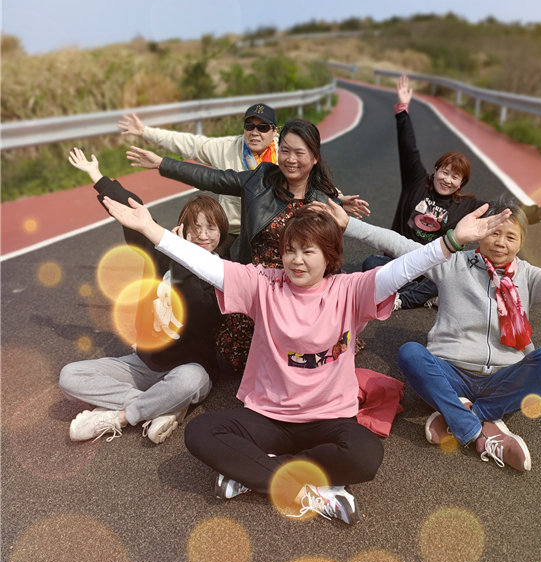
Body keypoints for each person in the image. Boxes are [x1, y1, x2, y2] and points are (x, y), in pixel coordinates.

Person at [100, 195, 511, 523]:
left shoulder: (351, 290)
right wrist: (151, 230)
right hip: (268, 416)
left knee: (366, 456)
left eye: (308, 251)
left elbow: (403, 269)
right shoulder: (264, 284)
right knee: (201, 432)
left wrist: (451, 241)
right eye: (290, 250)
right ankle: (306, 490)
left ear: (329, 256)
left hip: (328, 418)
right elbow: (209, 266)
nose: (297, 260)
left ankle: (254, 473)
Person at [321, 197, 541, 472]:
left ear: (521, 242)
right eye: (494, 232)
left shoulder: (528, 277)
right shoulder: (452, 264)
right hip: (451, 375)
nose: (501, 242)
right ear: (480, 232)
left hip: (503, 379)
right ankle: (479, 432)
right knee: (410, 353)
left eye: (510, 237)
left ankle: (463, 415)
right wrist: (349, 225)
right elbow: (398, 244)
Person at [125, 118, 370, 370]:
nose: (290, 159)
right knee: (234, 356)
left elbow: (329, 257)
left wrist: (339, 313)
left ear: (315, 157)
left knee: (298, 354)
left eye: (299, 153)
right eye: (285, 150)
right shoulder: (260, 179)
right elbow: (213, 178)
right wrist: (162, 164)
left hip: (299, 286)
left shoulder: (322, 200)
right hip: (258, 285)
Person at [58, 148, 228, 444]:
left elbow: (198, 311)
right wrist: (97, 176)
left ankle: (120, 416)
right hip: (145, 364)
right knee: (70, 376)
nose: (203, 235)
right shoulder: (160, 253)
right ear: (182, 229)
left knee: (192, 382)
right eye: (195, 227)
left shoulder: (222, 272)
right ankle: (163, 406)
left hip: (188, 367)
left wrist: (180, 259)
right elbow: (135, 214)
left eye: (210, 228)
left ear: (221, 233)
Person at [364, 76, 541, 310]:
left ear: (461, 184)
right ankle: (419, 294)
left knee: (450, 275)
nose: (447, 179)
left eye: (455, 177)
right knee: (371, 263)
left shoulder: (466, 207)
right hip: (399, 259)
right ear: (435, 171)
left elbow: (505, 213)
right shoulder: (416, 183)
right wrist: (403, 109)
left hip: (430, 269)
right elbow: (408, 148)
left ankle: (401, 297)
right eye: (444, 172)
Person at [118, 102, 280, 256]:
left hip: (270, 228)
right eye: (249, 126)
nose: (254, 132)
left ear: (274, 131)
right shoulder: (227, 147)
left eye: (263, 127)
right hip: (232, 230)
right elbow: (191, 144)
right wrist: (145, 132)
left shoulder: (285, 155)